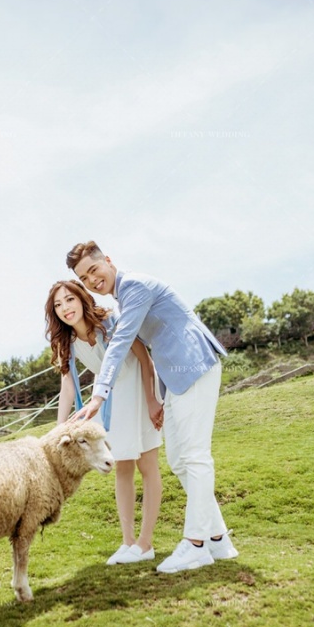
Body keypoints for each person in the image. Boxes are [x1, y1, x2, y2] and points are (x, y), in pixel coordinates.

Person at [65, 241, 238, 574]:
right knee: (179, 460)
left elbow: (121, 342)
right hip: (175, 379)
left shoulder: (135, 287)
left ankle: (196, 544)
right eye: (84, 278)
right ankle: (218, 538)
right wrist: (154, 396)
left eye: (94, 270)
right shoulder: (123, 296)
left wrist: (99, 395)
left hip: (194, 365)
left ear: (108, 261)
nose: (92, 280)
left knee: (195, 456)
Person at [45, 279, 163, 565]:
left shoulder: (109, 322)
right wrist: (59, 428)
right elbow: (67, 386)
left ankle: (145, 543)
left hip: (137, 384)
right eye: (58, 305)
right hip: (109, 394)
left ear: (81, 298)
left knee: (147, 463)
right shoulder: (66, 342)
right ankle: (128, 542)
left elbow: (144, 360)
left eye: (69, 300)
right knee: (121, 464)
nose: (65, 308)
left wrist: (151, 399)